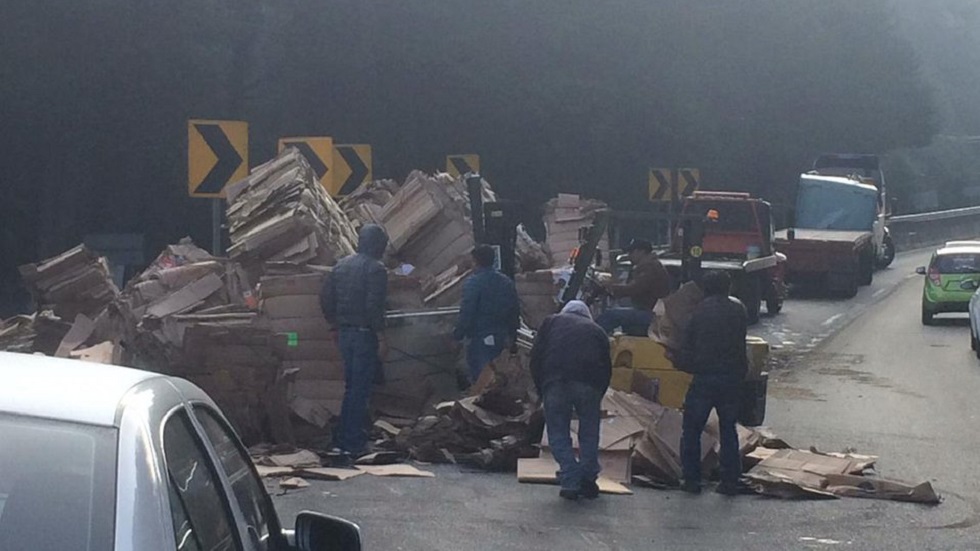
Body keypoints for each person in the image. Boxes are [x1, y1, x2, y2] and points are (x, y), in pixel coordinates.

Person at [673, 270, 749, 496]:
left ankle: (691, 479)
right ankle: (730, 481)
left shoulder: (697, 313)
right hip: (731, 377)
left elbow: (686, 346)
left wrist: (680, 362)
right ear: (728, 287)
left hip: (704, 377)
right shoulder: (739, 310)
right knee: (728, 429)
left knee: (692, 429)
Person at [530, 300, 612, 500]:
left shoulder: (551, 322)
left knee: (557, 431)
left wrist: (541, 389)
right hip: (589, 383)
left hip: (555, 380)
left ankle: (569, 476)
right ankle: (587, 476)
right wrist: (597, 394)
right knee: (589, 431)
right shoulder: (598, 331)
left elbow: (536, 357)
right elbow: (607, 367)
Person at [319, 224, 389, 458]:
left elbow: (326, 298)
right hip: (364, 334)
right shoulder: (376, 269)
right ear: (379, 245)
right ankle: (352, 441)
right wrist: (380, 335)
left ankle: (343, 437)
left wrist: (333, 323)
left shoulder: (340, 266)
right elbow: (373, 306)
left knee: (351, 387)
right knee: (360, 389)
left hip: (345, 334)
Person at [453, 244, 521, 383]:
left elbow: (467, 311)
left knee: (482, 380)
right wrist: (512, 336)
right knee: (500, 377)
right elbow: (515, 310)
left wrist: (457, 334)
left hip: (480, 338)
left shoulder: (473, 283)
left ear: (475, 261)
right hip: (502, 337)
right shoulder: (506, 282)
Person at [597, 238, 669, 336]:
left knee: (610, 316)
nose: (629, 255)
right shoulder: (648, 266)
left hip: (651, 314)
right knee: (615, 311)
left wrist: (610, 287)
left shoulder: (650, 267)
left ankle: (593, 343)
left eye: (631, 252)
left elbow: (634, 288)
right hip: (648, 311)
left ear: (642, 251)